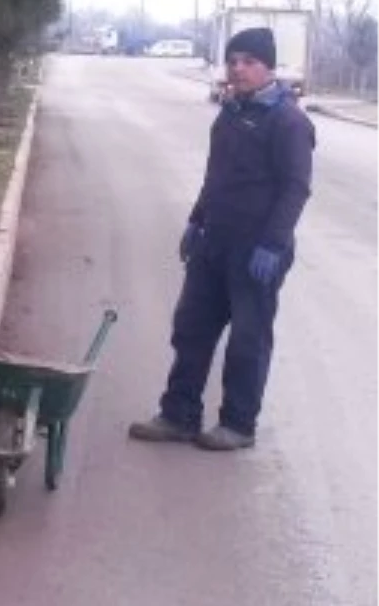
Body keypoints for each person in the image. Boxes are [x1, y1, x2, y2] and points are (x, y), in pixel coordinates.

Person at [129, 25, 314, 452]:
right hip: (214, 242)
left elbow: (295, 188)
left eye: (249, 61)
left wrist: (273, 243)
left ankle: (238, 424)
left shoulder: (288, 121)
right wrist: (196, 221)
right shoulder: (230, 114)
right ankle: (179, 415)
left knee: (248, 339)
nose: (238, 68)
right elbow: (216, 179)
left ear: (268, 67)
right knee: (191, 329)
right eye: (233, 60)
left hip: (257, 250)